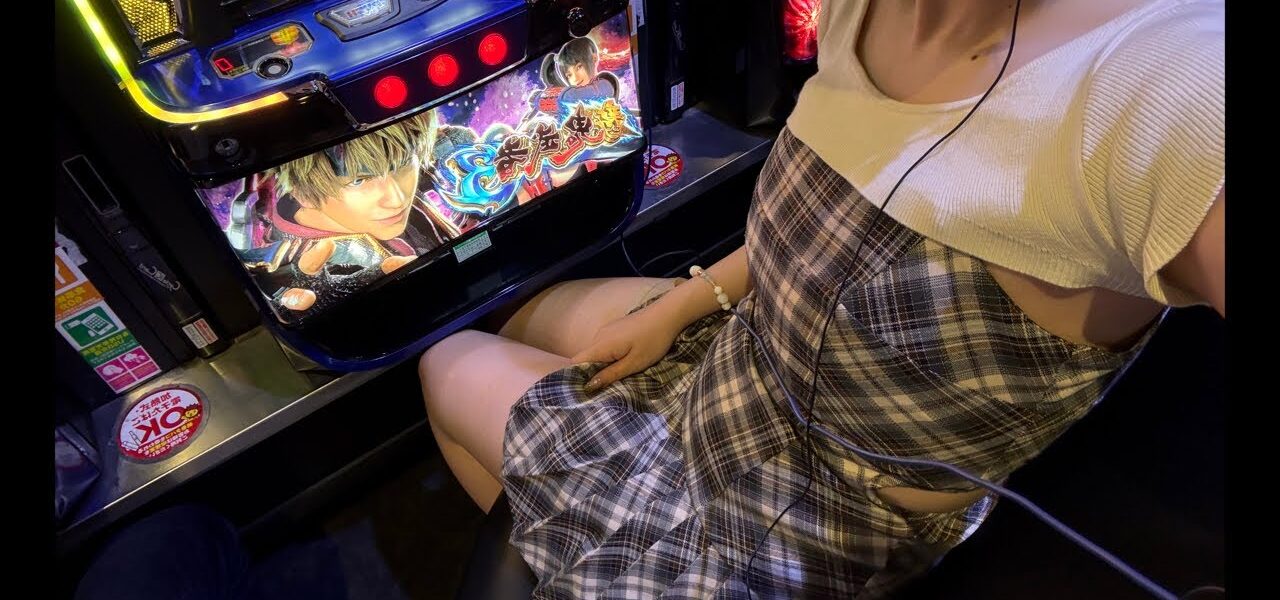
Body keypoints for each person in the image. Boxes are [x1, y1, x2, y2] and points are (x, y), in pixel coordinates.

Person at [419, 0, 1225, 596]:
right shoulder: (864, 10)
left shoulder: (1175, 81)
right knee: (525, 316)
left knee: (448, 361)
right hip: (741, 356)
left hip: (796, 521)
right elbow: (842, 214)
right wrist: (679, 306)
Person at [250, 111, 468, 314]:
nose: (397, 199)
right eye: (358, 181)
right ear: (301, 193)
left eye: (402, 165)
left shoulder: (395, 173)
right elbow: (286, 300)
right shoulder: (291, 264)